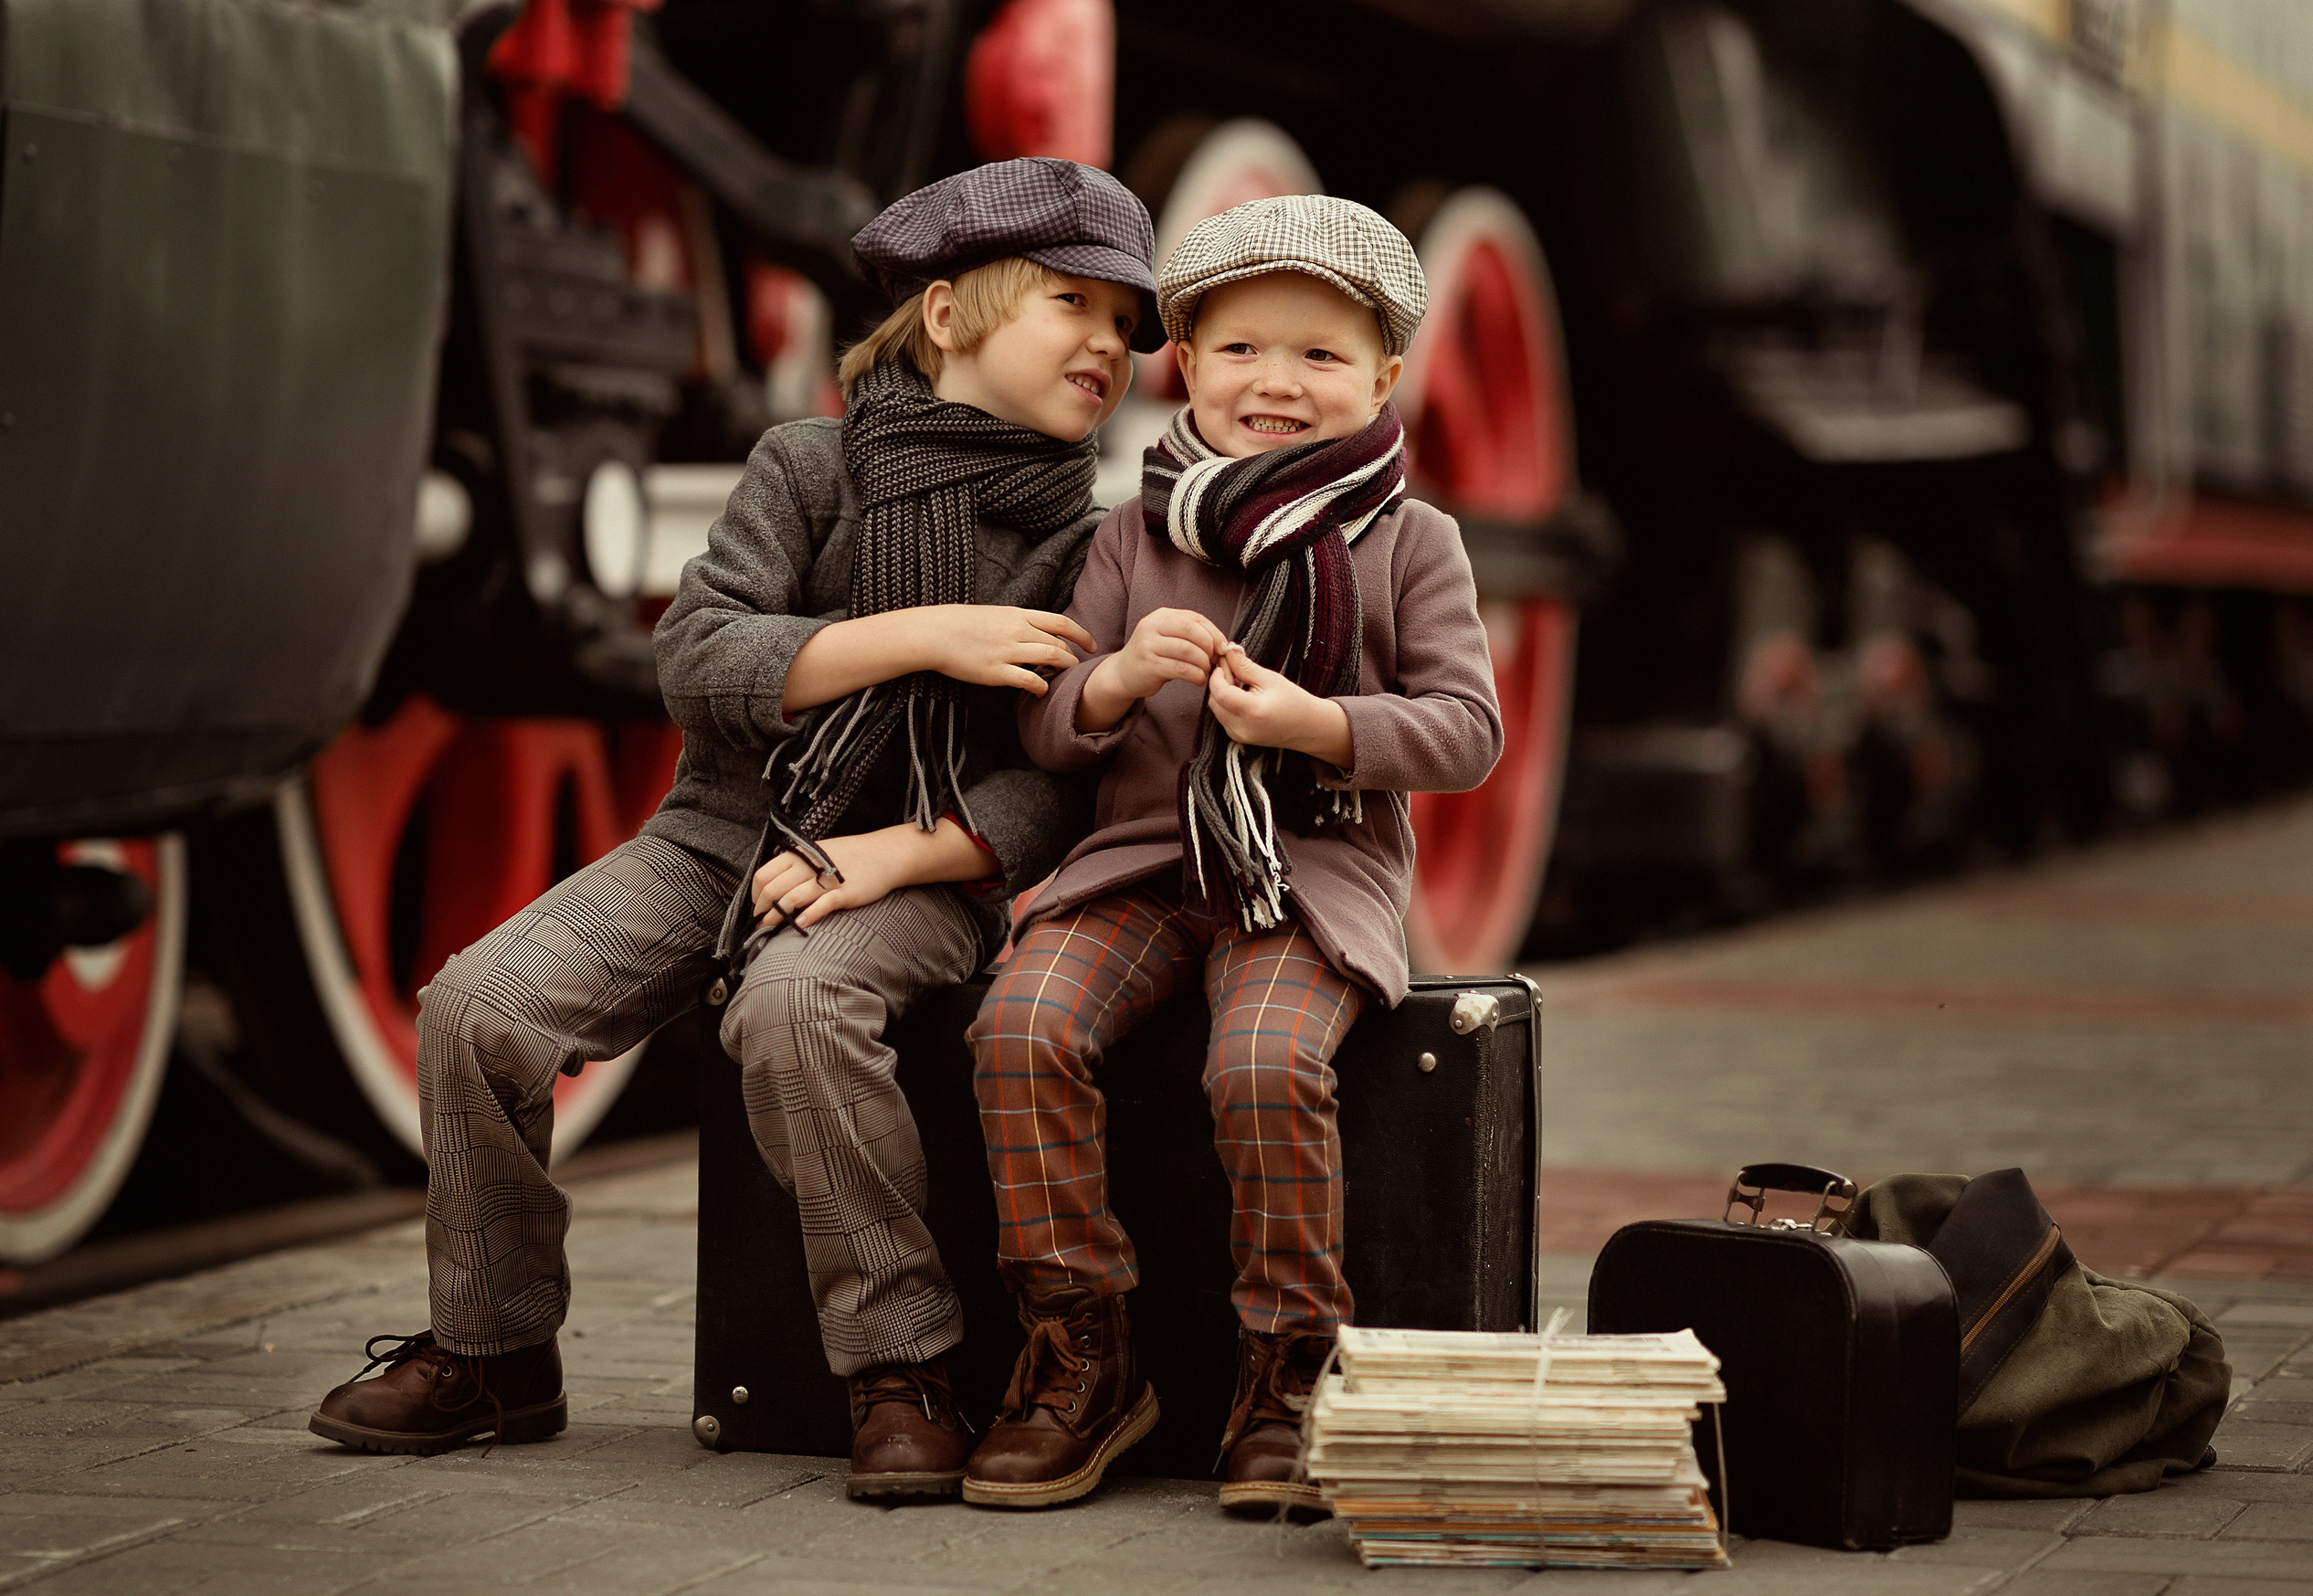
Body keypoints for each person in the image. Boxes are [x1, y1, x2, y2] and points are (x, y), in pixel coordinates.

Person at [308, 158, 1164, 1502]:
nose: (1110, 346)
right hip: (721, 831)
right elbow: (694, 657)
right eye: (1074, 306)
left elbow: (1059, 785)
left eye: (1127, 326)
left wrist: (898, 854)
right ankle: (494, 1347)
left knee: (794, 1011)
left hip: (924, 862)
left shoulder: (1092, 542)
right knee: (478, 1009)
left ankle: (900, 1363)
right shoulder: (806, 467)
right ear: (947, 314)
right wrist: (910, 635)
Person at [960, 194, 1503, 1514]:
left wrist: (1320, 726)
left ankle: (1290, 1364)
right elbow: (1043, 724)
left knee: (1260, 1063)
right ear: (1186, 365)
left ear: (1383, 377)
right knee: (1018, 1028)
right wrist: (1108, 684)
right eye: (1245, 349)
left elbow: (1466, 730)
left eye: (1321, 356)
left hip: (1302, 877)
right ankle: (1083, 1348)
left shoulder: (1410, 541)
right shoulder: (1129, 538)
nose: (1279, 382)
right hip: (1143, 864)